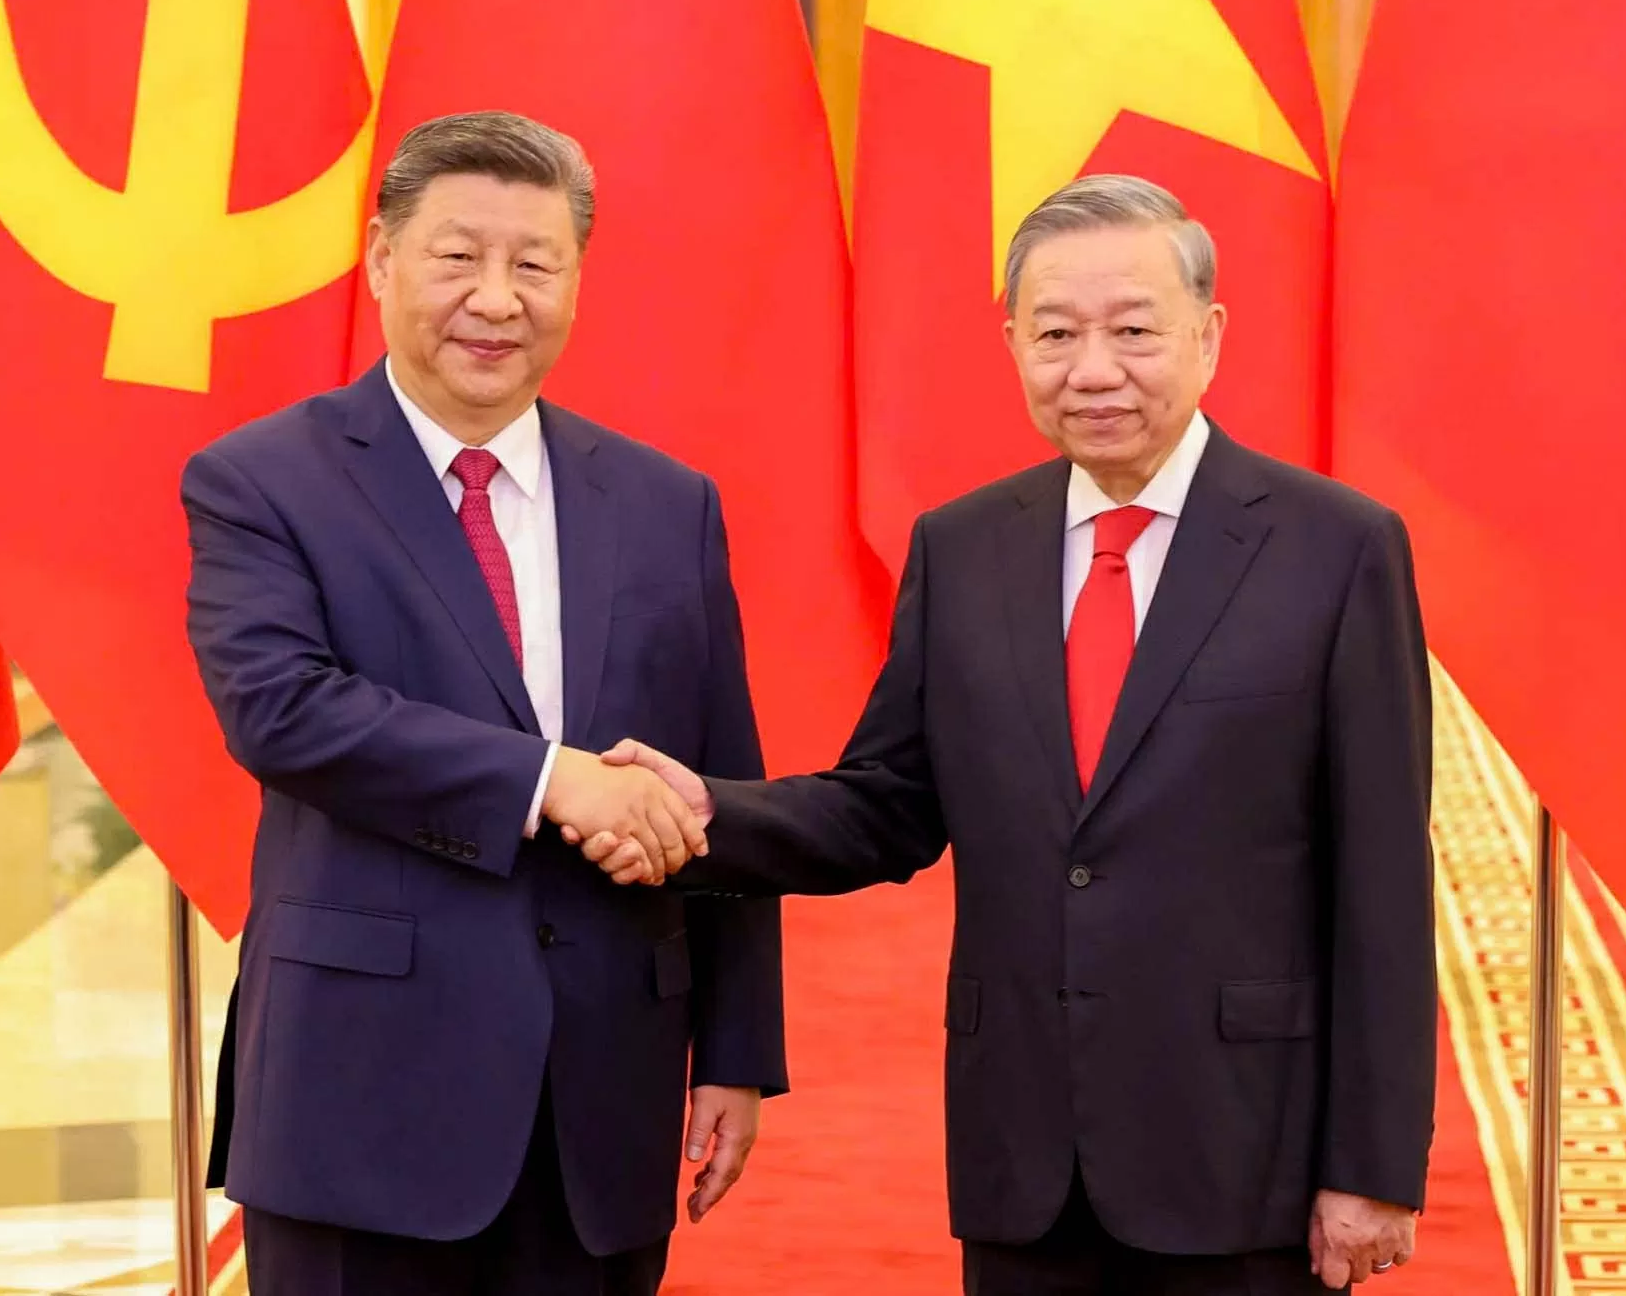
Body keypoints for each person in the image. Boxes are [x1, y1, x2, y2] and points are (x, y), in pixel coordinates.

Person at [585, 175, 1436, 1293]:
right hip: (1023, 1147)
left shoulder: (1337, 548)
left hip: (1244, 1145)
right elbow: (888, 804)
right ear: (1014, 346)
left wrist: (1373, 1164)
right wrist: (710, 810)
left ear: (1209, 336)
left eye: (1134, 331)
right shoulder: (966, 548)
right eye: (1056, 333)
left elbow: (1382, 880)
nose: (1094, 369)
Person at [182, 111, 783, 1296]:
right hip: (359, 1100)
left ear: (577, 280)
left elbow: (718, 786)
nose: (496, 299)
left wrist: (737, 1048)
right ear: (382, 259)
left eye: (535, 264)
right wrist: (551, 779)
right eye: (459, 257)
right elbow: (283, 710)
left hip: (601, 1100)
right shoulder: (264, 480)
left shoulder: (667, 503)